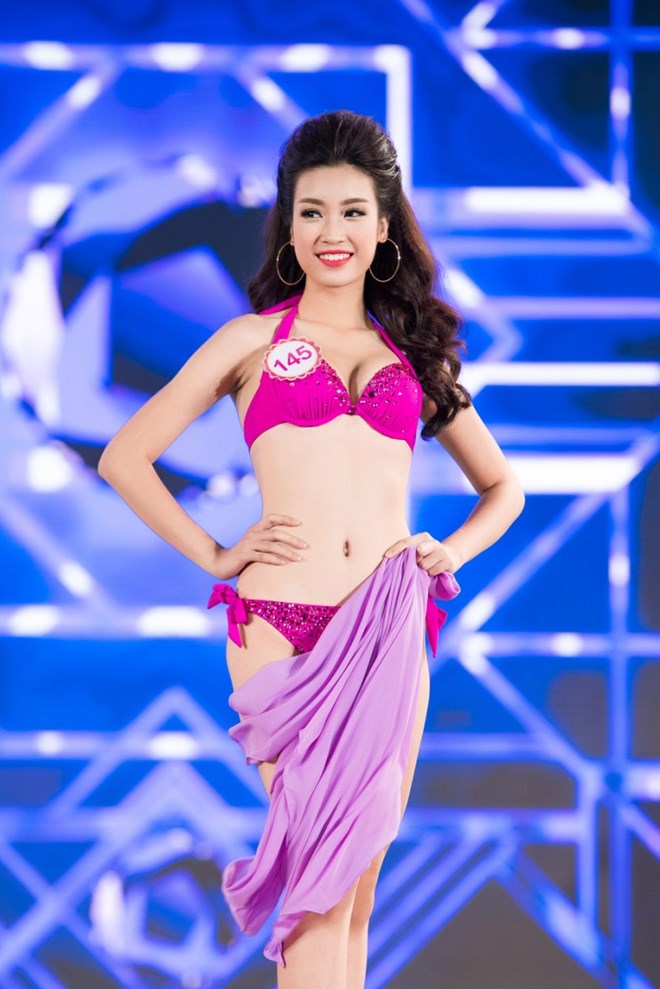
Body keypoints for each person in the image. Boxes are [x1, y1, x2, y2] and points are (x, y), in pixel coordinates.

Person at [98, 109, 525, 989]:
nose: (334, 231)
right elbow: (125, 456)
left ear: (385, 226)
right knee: (321, 881)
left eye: (354, 211)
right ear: (289, 229)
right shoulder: (250, 341)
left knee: (358, 885)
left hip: (388, 628)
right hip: (279, 624)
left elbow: (503, 489)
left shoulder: (415, 354)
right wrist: (214, 552)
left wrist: (451, 552)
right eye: (313, 211)